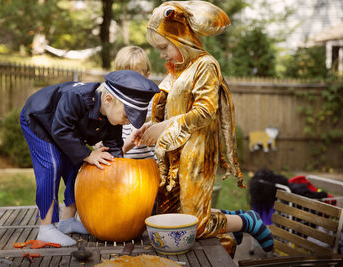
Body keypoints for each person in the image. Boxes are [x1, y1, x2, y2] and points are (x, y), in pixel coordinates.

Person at [135, 1, 274, 252]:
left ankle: (246, 221)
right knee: (170, 218)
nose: (161, 54)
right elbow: (167, 108)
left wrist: (165, 127)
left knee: (194, 225)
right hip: (173, 153)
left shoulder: (205, 65)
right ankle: (226, 240)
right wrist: (147, 128)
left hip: (197, 154)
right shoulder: (178, 70)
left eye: (164, 46)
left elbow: (205, 111)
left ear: (181, 38)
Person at [20, 70, 160, 246]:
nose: (128, 122)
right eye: (127, 116)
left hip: (65, 131)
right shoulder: (76, 98)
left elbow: (114, 146)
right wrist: (87, 154)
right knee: (52, 165)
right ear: (108, 100)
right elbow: (61, 131)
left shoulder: (112, 117)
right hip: (39, 120)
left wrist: (118, 175)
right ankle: (46, 228)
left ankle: (67, 221)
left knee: (77, 167)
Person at [114, 46, 156, 159]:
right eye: (124, 77)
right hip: (118, 167)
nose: (129, 83)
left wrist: (119, 151)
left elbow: (137, 136)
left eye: (135, 78)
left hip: (147, 167)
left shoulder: (152, 103)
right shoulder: (112, 103)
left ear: (147, 76)